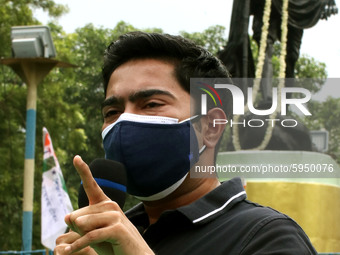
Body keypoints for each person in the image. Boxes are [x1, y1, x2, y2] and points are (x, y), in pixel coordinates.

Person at [54, 32, 317, 255]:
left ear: (210, 128)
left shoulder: (267, 235)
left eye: (151, 104)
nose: (124, 122)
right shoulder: (108, 235)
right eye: (112, 112)